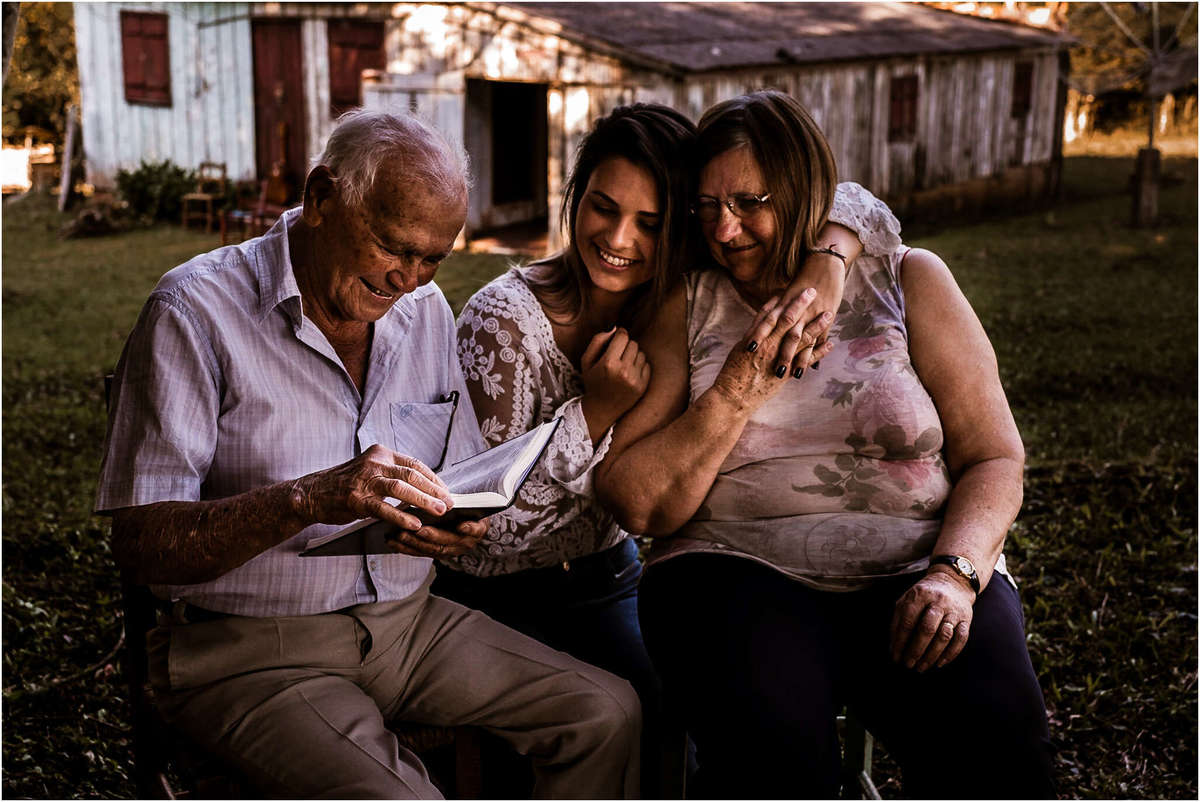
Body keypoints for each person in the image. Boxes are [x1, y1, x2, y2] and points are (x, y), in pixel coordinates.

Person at [95, 109, 641, 799]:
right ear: (322, 199)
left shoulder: (426, 310)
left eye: (433, 258)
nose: (407, 279)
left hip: (407, 626)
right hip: (250, 653)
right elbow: (140, 545)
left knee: (606, 713)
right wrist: (308, 498)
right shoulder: (194, 312)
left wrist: (455, 521)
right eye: (393, 246)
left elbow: (457, 476)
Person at [595, 90, 1056, 799]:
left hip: (916, 564)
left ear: (809, 192)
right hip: (735, 567)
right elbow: (637, 503)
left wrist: (954, 575)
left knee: (999, 741)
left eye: (750, 202)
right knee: (773, 760)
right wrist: (744, 382)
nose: (724, 229)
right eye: (706, 207)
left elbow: (994, 456)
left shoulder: (907, 278)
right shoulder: (685, 303)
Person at [434, 102, 903, 796]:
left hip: (612, 575)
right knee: (605, 723)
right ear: (576, 197)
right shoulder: (504, 323)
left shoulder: (681, 306)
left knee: (699, 715)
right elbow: (484, 532)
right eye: (602, 207)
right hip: (499, 596)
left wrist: (830, 260)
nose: (618, 239)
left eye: (650, 224)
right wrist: (595, 411)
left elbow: (857, 200)